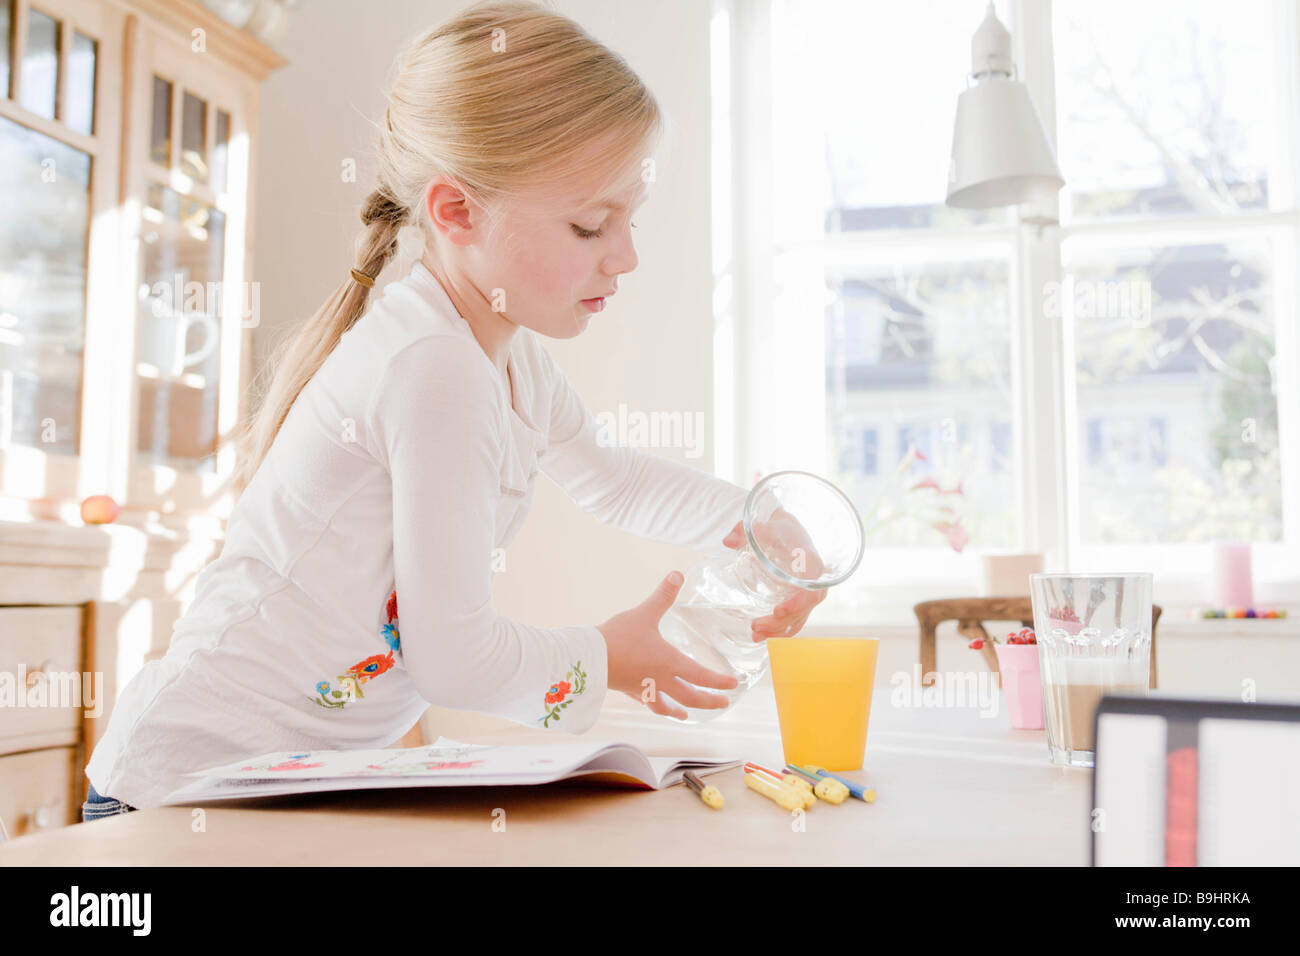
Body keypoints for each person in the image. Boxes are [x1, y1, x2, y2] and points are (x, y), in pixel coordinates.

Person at [82, 0, 824, 820]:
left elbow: (614, 480)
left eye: (629, 220)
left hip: (273, 790)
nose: (627, 256)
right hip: (178, 790)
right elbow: (455, 660)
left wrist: (762, 523)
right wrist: (605, 659)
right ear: (456, 210)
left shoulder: (507, 361)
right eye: (590, 224)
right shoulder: (435, 369)